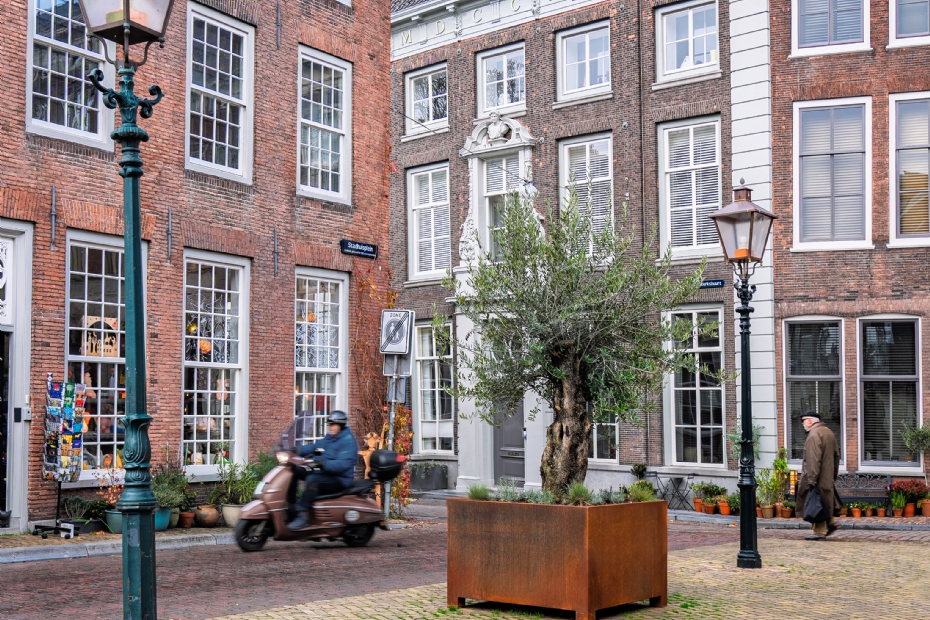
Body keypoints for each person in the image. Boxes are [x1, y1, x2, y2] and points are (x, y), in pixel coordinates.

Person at [287, 410, 358, 531]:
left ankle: (303, 515)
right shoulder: (330, 438)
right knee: (294, 470)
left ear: (340, 425)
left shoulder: (348, 442)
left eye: (333, 425)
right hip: (324, 471)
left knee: (312, 480)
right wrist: (297, 450)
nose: (330, 427)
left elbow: (342, 464)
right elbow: (315, 448)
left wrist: (323, 463)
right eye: (329, 425)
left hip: (339, 479)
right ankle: (291, 506)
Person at [795, 410, 842, 540]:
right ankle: (831, 523)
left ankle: (818, 532)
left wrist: (811, 479)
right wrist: (833, 475)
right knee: (823, 502)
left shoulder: (813, 435)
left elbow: (813, 459)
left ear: (810, 421)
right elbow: (837, 456)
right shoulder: (828, 432)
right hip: (827, 476)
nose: (803, 424)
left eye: (804, 420)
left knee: (815, 503)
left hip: (816, 477)